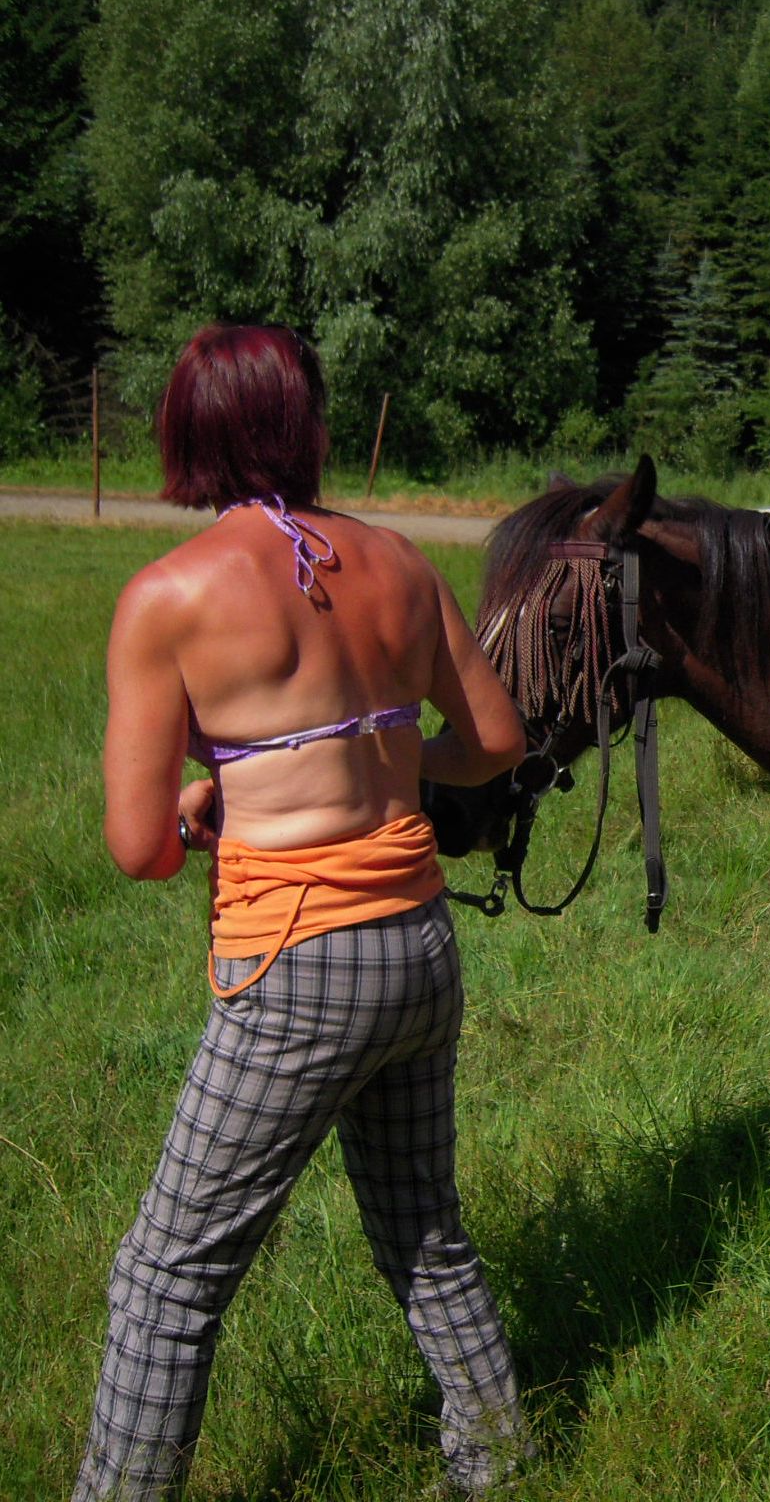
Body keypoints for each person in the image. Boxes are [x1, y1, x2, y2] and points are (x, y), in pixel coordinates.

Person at [77, 325, 529, 1499]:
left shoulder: (169, 595)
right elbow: (492, 739)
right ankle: (499, 1462)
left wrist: (210, 808)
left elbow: (137, 850)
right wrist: (388, 764)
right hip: (419, 946)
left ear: (189, 433)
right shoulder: (398, 561)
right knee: (424, 1229)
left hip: (295, 967)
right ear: (306, 426)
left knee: (166, 1278)